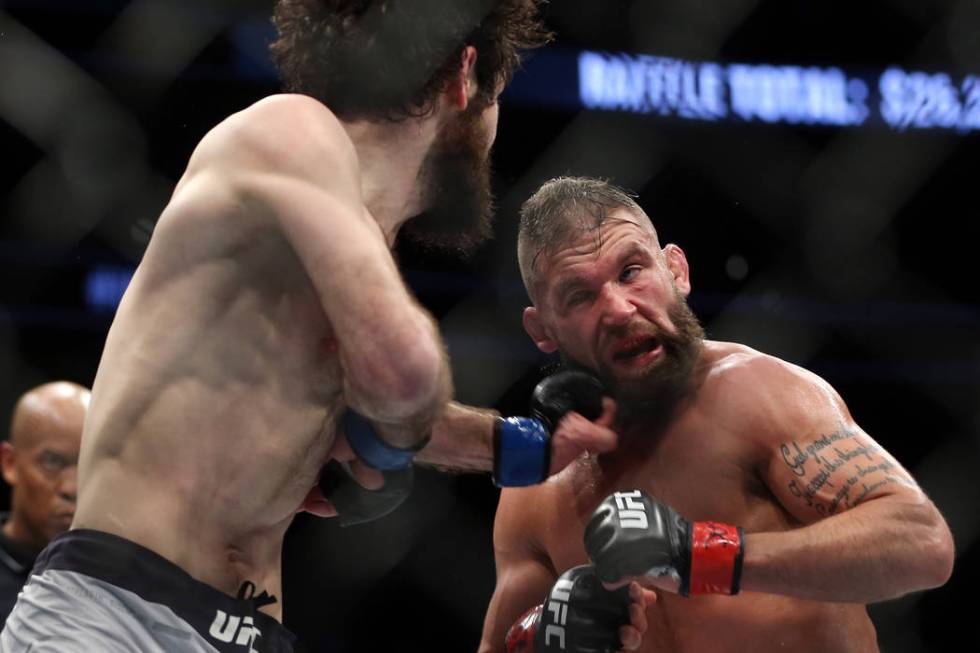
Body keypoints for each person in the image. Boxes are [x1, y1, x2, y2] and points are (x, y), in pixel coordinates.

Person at [0, 4, 648, 653]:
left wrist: (525, 445)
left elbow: (401, 403)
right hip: (115, 616)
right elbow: (405, 377)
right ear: (464, 74)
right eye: (497, 100)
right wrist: (385, 431)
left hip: (246, 634)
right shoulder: (294, 130)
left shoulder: (346, 250)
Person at [479, 177, 955, 653]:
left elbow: (922, 544)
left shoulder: (758, 395)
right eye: (580, 296)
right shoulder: (536, 491)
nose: (620, 310)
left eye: (630, 271)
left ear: (676, 270)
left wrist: (699, 555)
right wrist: (539, 640)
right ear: (542, 329)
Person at [0, 382, 88, 627]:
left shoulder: (116, 580)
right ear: (9, 463)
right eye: (53, 461)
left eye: (87, 464)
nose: (72, 487)